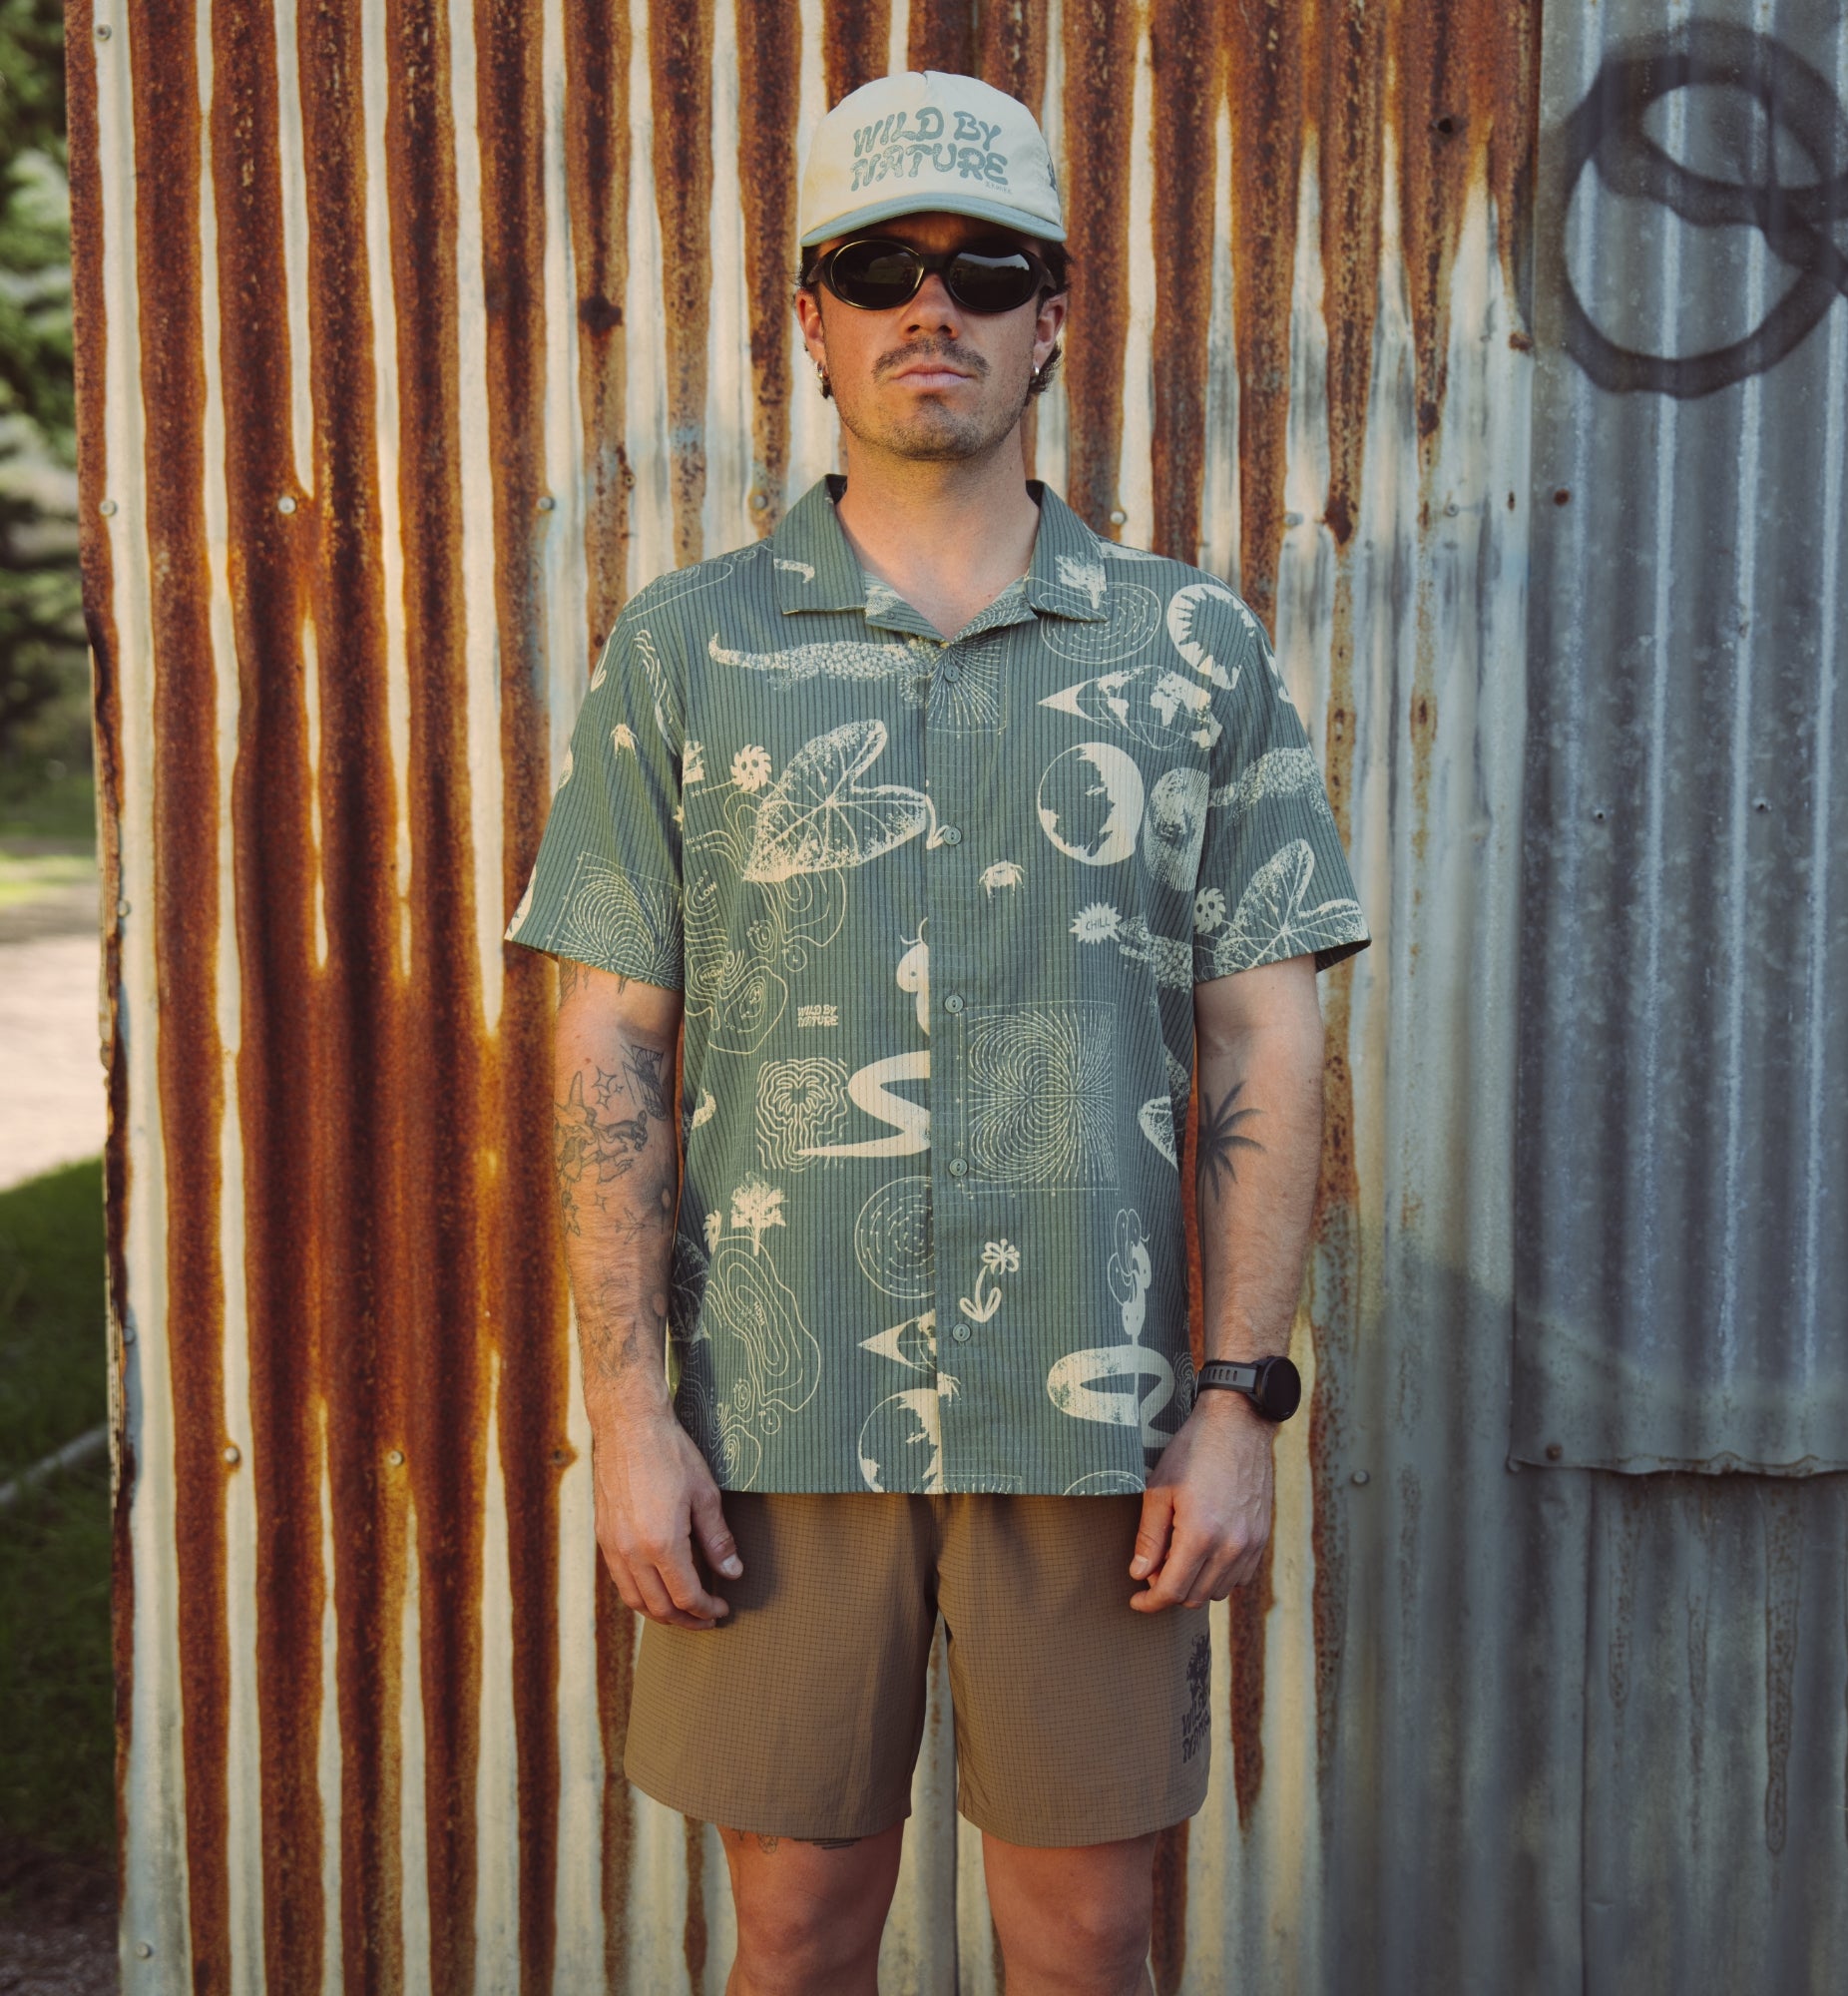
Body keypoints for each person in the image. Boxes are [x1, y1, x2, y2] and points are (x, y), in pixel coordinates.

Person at [505, 68, 1369, 1996]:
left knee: (1089, 1939)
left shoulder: (1187, 650)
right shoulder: (686, 648)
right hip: (780, 1419)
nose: (932, 306)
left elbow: (1267, 1045)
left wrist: (1237, 1402)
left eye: (985, 267)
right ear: (807, 316)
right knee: (797, 1934)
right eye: (877, 265)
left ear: (1054, 313)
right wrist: (630, 1419)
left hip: (1101, 1418)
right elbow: (608, 1059)